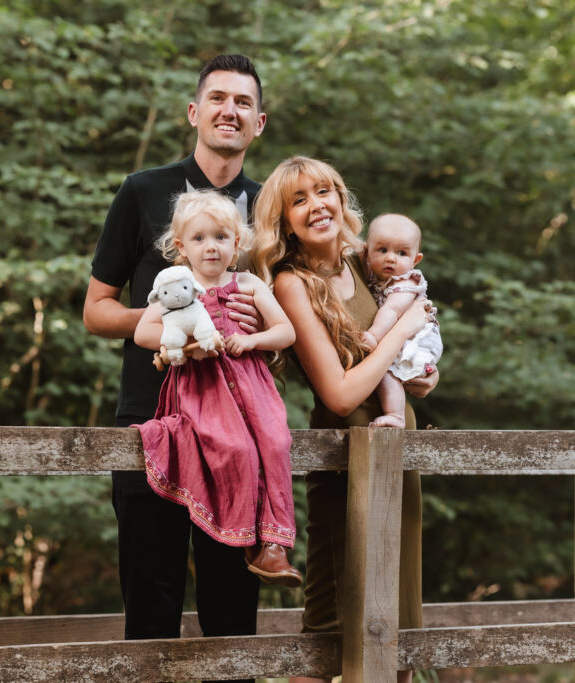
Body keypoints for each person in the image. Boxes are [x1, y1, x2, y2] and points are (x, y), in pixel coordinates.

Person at [82, 54, 267, 681]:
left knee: (233, 612)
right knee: (151, 607)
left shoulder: (268, 210)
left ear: (258, 123)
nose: (229, 110)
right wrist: (159, 326)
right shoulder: (142, 191)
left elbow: (298, 312)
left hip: (236, 432)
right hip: (151, 422)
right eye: (217, 98)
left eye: (242, 102)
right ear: (195, 112)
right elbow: (95, 309)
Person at [251, 156, 438, 683]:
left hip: (397, 447)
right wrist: (398, 337)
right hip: (344, 458)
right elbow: (337, 392)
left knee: (398, 622)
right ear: (284, 220)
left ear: (341, 198)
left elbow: (418, 344)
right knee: (329, 627)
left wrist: (424, 370)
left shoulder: (368, 260)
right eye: (299, 200)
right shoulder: (292, 283)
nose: (316, 206)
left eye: (324, 191)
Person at [133, 189, 301, 587]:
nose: (211, 247)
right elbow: (143, 332)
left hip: (252, 385)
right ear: (181, 246)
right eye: (199, 238)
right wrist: (185, 348)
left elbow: (286, 332)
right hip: (203, 388)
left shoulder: (250, 284)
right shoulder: (179, 286)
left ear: (237, 242)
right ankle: (247, 537)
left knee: (276, 444)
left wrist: (252, 341)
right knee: (237, 449)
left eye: (221, 237)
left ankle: (275, 545)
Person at [361, 213, 443, 428]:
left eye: (401, 253)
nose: (391, 258)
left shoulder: (406, 281)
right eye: (382, 250)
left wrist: (373, 335)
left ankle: (396, 416)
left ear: (415, 260)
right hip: (405, 334)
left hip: (418, 338)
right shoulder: (374, 274)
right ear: (366, 251)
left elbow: (392, 310)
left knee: (387, 370)